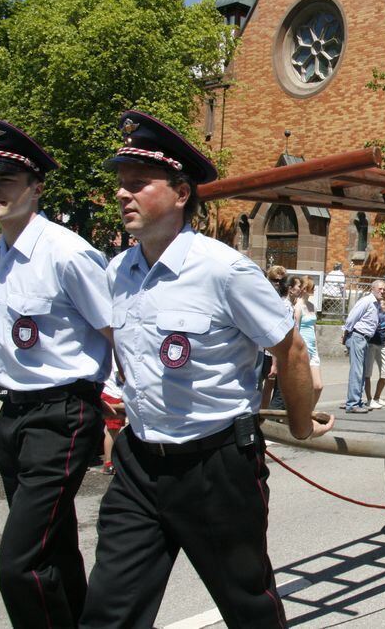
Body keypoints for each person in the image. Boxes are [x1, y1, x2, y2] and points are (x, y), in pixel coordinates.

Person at [80, 110, 331, 628]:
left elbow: (291, 350)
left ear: (180, 193)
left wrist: (301, 423)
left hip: (216, 468)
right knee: (109, 610)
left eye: (138, 184)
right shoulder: (117, 272)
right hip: (139, 464)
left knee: (247, 606)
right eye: (121, 185)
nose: (123, 194)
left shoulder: (225, 270)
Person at [0, 118, 112, 627]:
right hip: (14, 413)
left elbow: (116, 330)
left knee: (19, 565)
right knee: (51, 549)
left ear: (36, 188)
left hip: (62, 414)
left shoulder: (67, 252)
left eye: (5, 179)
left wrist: (123, 407)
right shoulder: (1, 253)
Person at [342, 280, 384, 413]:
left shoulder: (376, 304)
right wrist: (345, 334)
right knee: (357, 370)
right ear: (373, 289)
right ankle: (352, 404)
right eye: (380, 289)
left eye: (384, 289)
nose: (382, 291)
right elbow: (352, 318)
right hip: (358, 336)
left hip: (365, 339)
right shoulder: (366, 301)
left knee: (362, 370)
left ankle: (358, 401)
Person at [261, 265, 288, 410]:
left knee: (276, 388)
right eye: (274, 280)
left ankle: (268, 419)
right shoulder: (263, 298)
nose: (278, 284)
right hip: (262, 351)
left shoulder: (284, 301)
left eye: (281, 281)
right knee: (263, 387)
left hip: (276, 352)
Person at [364, 285, 385, 408]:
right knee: (368, 372)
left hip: (382, 343)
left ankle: (377, 397)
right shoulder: (376, 306)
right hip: (371, 342)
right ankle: (369, 399)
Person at [294, 276, 323, 408]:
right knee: (302, 387)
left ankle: (308, 412)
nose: (314, 289)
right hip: (302, 350)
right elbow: (296, 329)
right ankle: (302, 414)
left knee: (318, 386)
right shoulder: (298, 307)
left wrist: (316, 348)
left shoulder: (312, 306)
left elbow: (314, 329)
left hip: (313, 350)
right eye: (312, 287)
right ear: (305, 289)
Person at [99, 367, 125, 475]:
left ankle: (110, 461)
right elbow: (121, 376)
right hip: (113, 394)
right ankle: (108, 463)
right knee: (112, 430)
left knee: (114, 430)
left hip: (113, 393)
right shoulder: (117, 355)